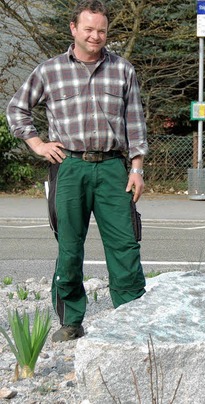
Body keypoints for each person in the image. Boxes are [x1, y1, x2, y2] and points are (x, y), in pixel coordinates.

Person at [6, 0, 147, 342]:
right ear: (73, 29)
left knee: (125, 246)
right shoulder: (50, 70)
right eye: (88, 29)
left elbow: (135, 122)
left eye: (101, 30)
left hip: (114, 168)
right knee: (69, 247)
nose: (96, 36)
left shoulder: (122, 70)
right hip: (68, 168)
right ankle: (71, 321)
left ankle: (133, 318)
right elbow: (17, 110)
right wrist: (38, 144)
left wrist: (138, 167)